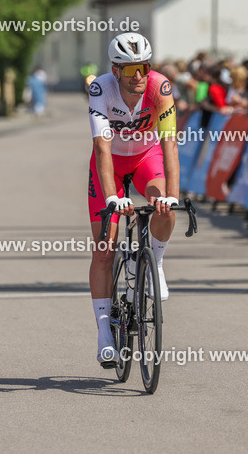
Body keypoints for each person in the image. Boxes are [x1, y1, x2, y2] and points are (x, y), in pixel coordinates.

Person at [87, 32, 179, 369]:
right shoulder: (101, 89)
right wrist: (112, 197)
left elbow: (169, 144)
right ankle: (103, 336)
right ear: (115, 70)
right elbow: (102, 147)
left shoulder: (160, 88)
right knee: (104, 250)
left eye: (142, 67)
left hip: (145, 158)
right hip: (110, 164)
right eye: (129, 70)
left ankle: (154, 261)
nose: (137, 76)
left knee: (166, 210)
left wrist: (173, 196)